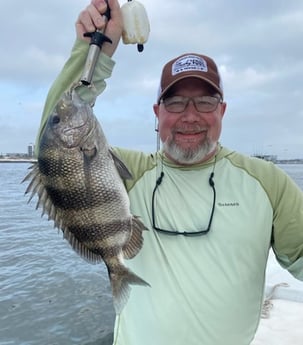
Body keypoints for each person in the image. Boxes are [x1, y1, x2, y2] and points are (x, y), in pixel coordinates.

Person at [36, 0, 303, 344]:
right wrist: (94, 51)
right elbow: (53, 143)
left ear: (222, 110)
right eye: (175, 103)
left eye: (204, 102)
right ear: (156, 112)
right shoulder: (129, 173)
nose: (190, 116)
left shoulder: (268, 182)